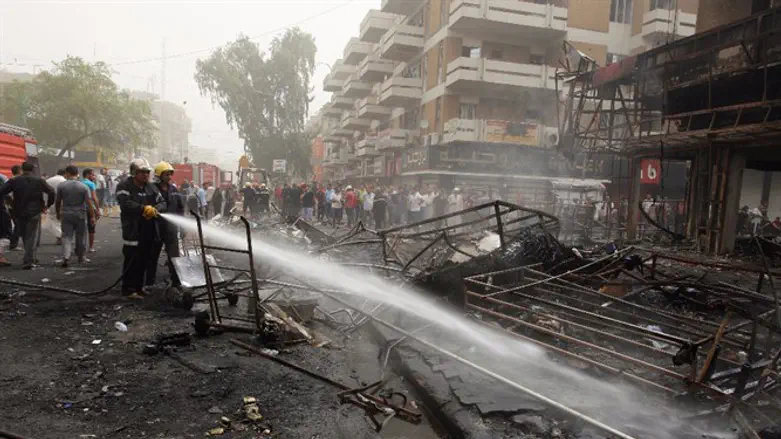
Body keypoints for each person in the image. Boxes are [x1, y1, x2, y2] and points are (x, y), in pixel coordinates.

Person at [116, 159, 166, 299]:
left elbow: (162, 202)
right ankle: (128, 289)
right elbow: (125, 203)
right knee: (132, 258)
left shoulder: (151, 187)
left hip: (148, 228)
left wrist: (155, 209)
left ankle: (139, 288)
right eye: (142, 172)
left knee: (144, 259)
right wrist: (143, 208)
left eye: (147, 172)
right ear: (134, 173)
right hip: (132, 228)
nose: (145, 175)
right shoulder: (124, 185)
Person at [0, 162, 55, 269]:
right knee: (31, 236)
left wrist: (10, 202)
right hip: (34, 211)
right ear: (33, 169)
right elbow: (51, 192)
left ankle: (30, 257)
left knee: (25, 235)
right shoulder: (39, 181)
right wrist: (47, 205)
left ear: (22, 169)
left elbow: (2, 191)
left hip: (19, 211)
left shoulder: (14, 181)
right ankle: (28, 261)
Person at [151, 161, 185, 287]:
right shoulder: (151, 189)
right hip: (156, 228)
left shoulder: (174, 190)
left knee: (174, 257)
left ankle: (176, 281)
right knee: (152, 256)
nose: (169, 177)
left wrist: (182, 227)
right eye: (166, 174)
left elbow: (180, 209)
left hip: (171, 228)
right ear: (159, 175)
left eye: (170, 174)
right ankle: (150, 281)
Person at [55, 166, 94, 267]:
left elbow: (58, 201)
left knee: (66, 236)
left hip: (66, 213)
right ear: (77, 173)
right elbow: (89, 203)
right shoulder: (83, 186)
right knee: (80, 236)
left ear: (67, 173)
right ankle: (81, 257)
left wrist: (57, 213)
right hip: (80, 214)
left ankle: (66, 256)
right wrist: (92, 216)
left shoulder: (62, 186)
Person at [81, 168, 101, 252]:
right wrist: (97, 208)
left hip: (80, 208)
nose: (94, 176)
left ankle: (81, 246)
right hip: (90, 208)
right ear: (87, 175)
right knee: (91, 227)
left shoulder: (80, 182)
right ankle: (91, 247)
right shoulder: (91, 184)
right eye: (92, 174)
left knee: (81, 228)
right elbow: (94, 197)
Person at [46, 169, 67, 244]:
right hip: (62, 203)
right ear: (65, 173)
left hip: (51, 203)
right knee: (61, 221)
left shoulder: (48, 180)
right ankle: (61, 237)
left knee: (53, 220)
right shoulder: (64, 181)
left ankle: (59, 238)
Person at [7, 164, 22, 251]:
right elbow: (9, 195)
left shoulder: (10, 180)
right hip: (15, 207)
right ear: (20, 171)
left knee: (17, 225)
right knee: (18, 226)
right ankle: (13, 244)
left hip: (12, 207)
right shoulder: (16, 180)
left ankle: (13, 243)